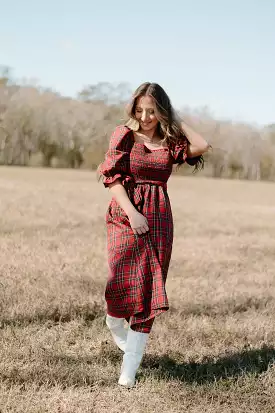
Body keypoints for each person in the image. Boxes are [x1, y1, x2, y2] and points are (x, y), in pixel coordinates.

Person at [98, 82, 210, 388]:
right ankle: (113, 320)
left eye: (152, 110)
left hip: (159, 217)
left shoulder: (170, 142)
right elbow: (111, 179)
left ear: (161, 110)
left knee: (149, 290)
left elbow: (201, 145)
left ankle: (128, 375)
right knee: (119, 281)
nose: (145, 117)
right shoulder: (124, 135)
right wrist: (133, 214)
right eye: (140, 110)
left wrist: (173, 118)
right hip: (125, 213)